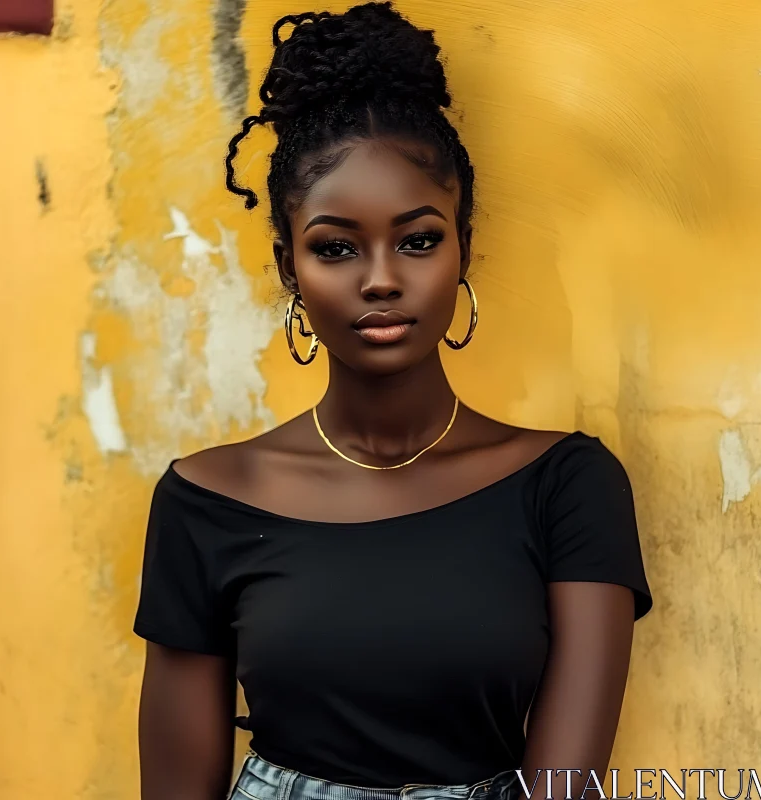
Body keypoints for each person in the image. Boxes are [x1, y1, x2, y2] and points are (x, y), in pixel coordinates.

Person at [133, 3, 653, 800]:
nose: (380, 278)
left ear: (463, 246)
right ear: (289, 266)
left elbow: (564, 786)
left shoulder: (566, 487)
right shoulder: (207, 502)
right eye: (336, 247)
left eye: (417, 240)